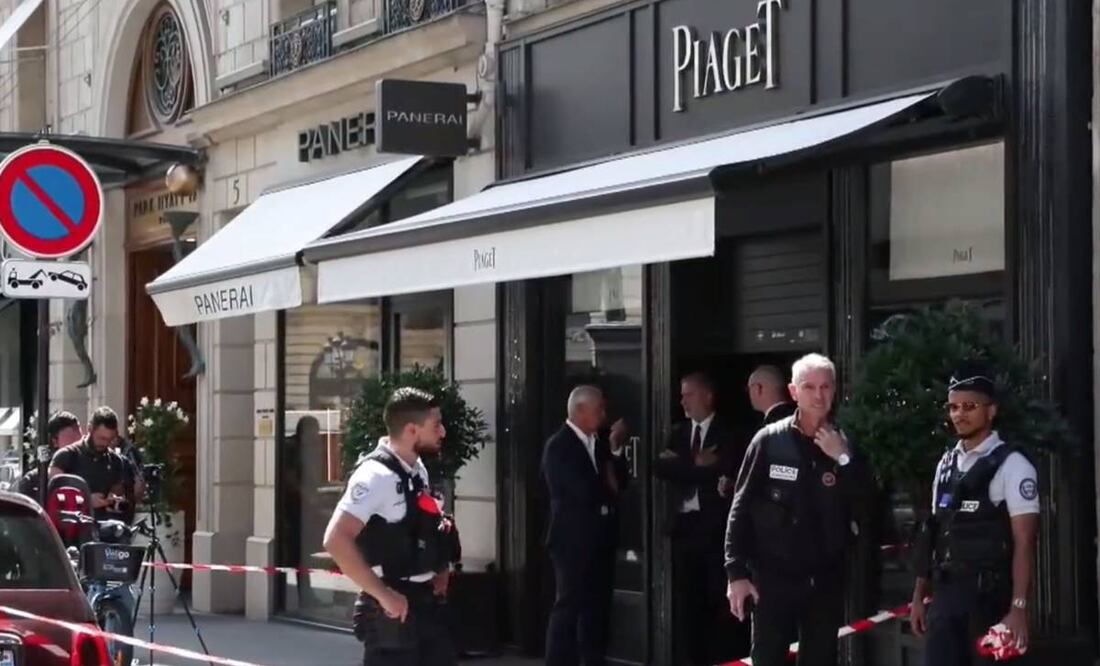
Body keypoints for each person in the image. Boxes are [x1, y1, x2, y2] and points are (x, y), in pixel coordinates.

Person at [725, 353, 875, 666]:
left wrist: (843, 459)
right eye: (809, 387)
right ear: (794, 392)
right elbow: (741, 506)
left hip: (825, 578)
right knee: (768, 657)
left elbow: (867, 506)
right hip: (773, 576)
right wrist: (736, 572)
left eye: (825, 387)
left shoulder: (847, 442)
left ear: (834, 390)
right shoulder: (769, 440)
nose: (818, 396)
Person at [909, 366, 1040, 665]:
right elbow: (933, 533)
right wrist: (918, 595)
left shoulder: (1014, 465)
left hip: (989, 601)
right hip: (945, 598)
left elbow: (1024, 544)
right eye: (953, 407)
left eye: (969, 406)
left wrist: (1018, 609)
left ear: (991, 410)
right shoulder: (945, 464)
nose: (959, 414)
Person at [323, 388, 459, 666]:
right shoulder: (375, 476)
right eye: (436, 425)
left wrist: (439, 568)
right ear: (412, 430)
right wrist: (383, 596)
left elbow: (422, 526)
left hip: (425, 604)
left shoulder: (415, 468)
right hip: (391, 610)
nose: (443, 432)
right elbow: (336, 540)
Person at [654, 372, 748, 664]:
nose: (682, 401)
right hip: (683, 531)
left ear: (707, 396)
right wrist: (699, 463)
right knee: (685, 607)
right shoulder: (677, 433)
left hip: (714, 533)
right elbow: (661, 468)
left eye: (689, 394)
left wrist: (686, 465)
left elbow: (727, 469)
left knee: (716, 604)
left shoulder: (729, 433)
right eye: (682, 395)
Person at [542, 385, 626, 666]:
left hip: (601, 537)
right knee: (569, 606)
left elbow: (619, 485)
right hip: (572, 541)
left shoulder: (600, 443)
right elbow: (583, 490)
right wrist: (607, 486)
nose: (603, 415)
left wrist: (615, 450)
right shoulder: (559, 445)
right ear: (580, 410)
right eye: (598, 409)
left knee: (597, 608)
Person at [48, 407, 138, 522]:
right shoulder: (66, 456)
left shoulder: (115, 461)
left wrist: (114, 501)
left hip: (103, 530)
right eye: (101, 438)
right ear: (90, 429)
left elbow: (116, 493)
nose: (105, 443)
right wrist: (87, 500)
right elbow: (53, 495)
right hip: (72, 532)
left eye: (109, 439)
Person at [17, 411, 82, 501]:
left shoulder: (89, 470)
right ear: (55, 441)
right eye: (72, 439)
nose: (77, 446)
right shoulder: (34, 480)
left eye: (80, 440)